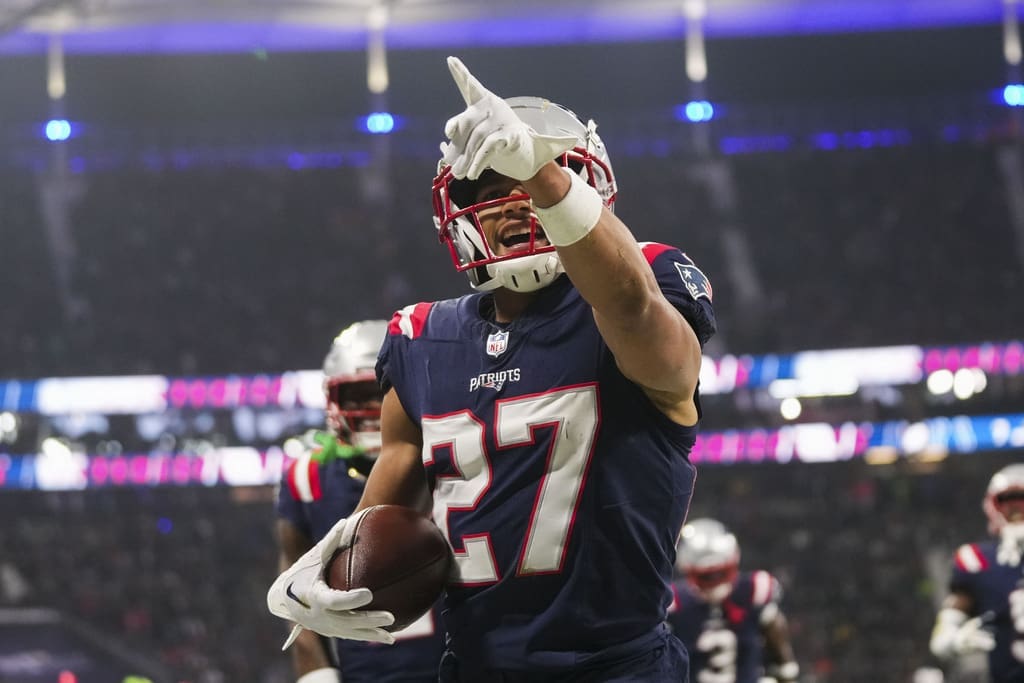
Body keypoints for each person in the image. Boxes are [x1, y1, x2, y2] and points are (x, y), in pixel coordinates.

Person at [268, 55, 717, 681]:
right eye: (490, 192)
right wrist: (333, 569)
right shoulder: (421, 336)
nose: (512, 203)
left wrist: (544, 175)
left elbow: (634, 311)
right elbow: (384, 516)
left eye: (526, 184)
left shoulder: (647, 282)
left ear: (586, 189)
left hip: (616, 667)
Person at [275, 320, 445, 683]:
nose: (372, 408)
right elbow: (294, 578)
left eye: (382, 393)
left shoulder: (449, 459)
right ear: (332, 400)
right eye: (357, 395)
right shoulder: (306, 480)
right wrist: (315, 670)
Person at [667, 518, 799, 683]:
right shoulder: (674, 603)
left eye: (721, 573)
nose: (715, 583)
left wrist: (785, 673)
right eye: (706, 576)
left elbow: (776, 637)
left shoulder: (752, 591)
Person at [930, 463, 1024, 682]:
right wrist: (956, 641)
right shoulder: (978, 561)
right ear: (993, 506)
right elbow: (941, 639)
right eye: (1009, 502)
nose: (1018, 511)